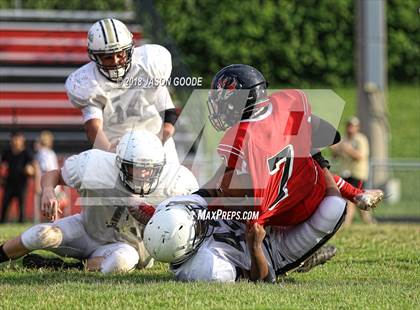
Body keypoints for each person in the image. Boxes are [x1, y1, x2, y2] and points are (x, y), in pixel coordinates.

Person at [144, 64, 382, 278]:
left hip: (272, 214)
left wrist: (187, 203)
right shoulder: (287, 101)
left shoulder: (243, 141)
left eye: (224, 100)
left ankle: (298, 256)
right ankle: (299, 259)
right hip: (277, 221)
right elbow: (328, 134)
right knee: (332, 203)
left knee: (204, 197)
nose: (219, 106)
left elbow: (225, 188)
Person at [0, 130, 198, 273]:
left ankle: (67, 266)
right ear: (119, 162)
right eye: (134, 167)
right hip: (86, 230)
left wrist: (158, 219)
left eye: (149, 169)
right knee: (40, 234)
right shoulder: (95, 165)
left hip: (126, 246)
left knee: (121, 262)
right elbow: (54, 175)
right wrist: (48, 191)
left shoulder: (176, 183)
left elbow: (191, 222)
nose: (142, 174)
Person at [143, 192, 341, 283]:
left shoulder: (175, 207)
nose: (201, 220)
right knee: (334, 207)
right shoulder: (204, 269)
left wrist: (237, 193)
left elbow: (212, 190)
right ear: (186, 247)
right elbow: (259, 278)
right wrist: (255, 245)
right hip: (272, 250)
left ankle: (317, 161)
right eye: (198, 226)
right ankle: (300, 263)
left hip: (258, 213)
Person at [65, 18, 179, 163]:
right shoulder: (89, 82)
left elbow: (167, 107)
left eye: (120, 54)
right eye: (108, 57)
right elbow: (93, 128)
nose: (115, 61)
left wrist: (166, 132)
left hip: (157, 142)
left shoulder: (148, 64)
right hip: (118, 149)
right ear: (96, 57)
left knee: (174, 184)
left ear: (130, 49)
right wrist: (109, 151)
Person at [331, 116, 375, 226]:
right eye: (349, 126)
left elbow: (359, 156)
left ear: (357, 127)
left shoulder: (361, 139)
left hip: (357, 174)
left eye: (353, 126)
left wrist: (346, 149)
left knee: (351, 199)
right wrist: (334, 149)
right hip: (345, 173)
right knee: (359, 202)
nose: (350, 128)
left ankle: (347, 223)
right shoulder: (344, 139)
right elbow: (336, 156)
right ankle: (369, 223)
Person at [0, 132, 36, 223]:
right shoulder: (8, 152)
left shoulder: (26, 152)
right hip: (9, 182)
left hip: (22, 183)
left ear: (22, 140)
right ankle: (3, 222)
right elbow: (3, 164)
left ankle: (21, 222)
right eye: (13, 139)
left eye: (17, 139)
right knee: (5, 203)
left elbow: (34, 167)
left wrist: (30, 170)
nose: (14, 141)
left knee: (21, 205)